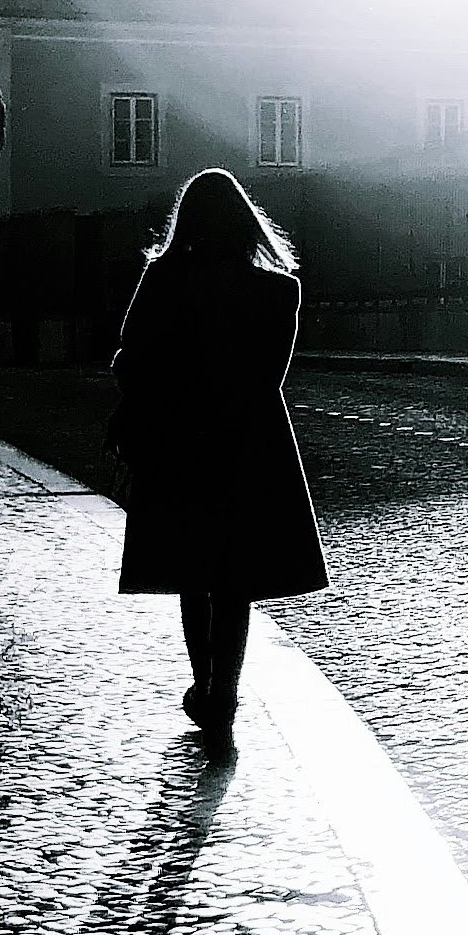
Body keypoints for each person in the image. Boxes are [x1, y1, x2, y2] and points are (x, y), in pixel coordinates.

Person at [109, 167, 328, 756]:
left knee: (192, 570)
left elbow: (131, 359)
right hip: (249, 443)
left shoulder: (164, 279)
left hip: (181, 439)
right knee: (236, 579)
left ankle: (205, 682)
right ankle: (224, 692)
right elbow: (269, 378)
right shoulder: (280, 291)